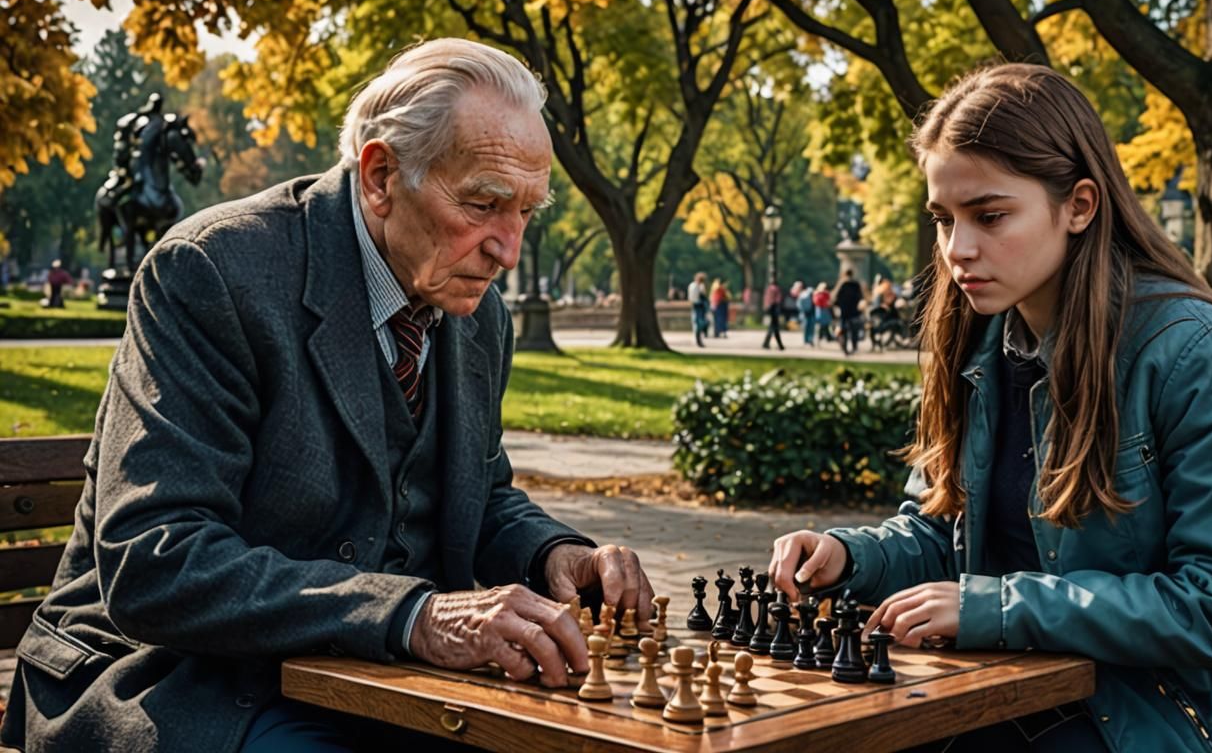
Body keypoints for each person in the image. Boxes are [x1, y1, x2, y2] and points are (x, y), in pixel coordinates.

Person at [2, 39, 657, 753]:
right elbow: (154, 560)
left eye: (527, 211)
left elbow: (478, 492)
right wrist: (415, 616)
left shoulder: (475, 310)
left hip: (367, 679)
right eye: (484, 204)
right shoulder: (213, 271)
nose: (508, 249)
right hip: (173, 679)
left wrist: (552, 555)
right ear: (380, 176)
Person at [766, 63, 1212, 753]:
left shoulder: (1193, 352)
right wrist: (851, 557)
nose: (958, 250)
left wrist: (995, 607)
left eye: (990, 216)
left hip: (1166, 721)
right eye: (943, 219)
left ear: (1079, 206)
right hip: (1018, 700)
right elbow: (948, 535)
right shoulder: (980, 335)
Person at [833, 269, 864, 355]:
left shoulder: (842, 284)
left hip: (844, 311)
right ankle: (854, 347)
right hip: (854, 311)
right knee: (854, 330)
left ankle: (844, 347)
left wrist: (837, 306)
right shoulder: (856, 284)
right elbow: (860, 297)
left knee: (843, 330)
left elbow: (836, 297)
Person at [761, 279, 785, 351]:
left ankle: (769, 343)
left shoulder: (768, 289)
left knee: (773, 327)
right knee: (774, 327)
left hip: (769, 308)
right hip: (774, 308)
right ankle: (778, 345)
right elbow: (778, 300)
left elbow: (766, 299)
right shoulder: (776, 289)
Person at [688, 271, 709, 347]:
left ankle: (699, 338)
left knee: (699, 323)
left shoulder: (695, 285)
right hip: (698, 305)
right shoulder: (696, 286)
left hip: (698, 305)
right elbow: (696, 297)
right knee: (699, 323)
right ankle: (698, 339)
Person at [795, 281, 816, 346]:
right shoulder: (811, 295)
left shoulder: (802, 294)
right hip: (811, 312)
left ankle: (806, 340)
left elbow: (798, 304)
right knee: (811, 328)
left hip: (805, 313)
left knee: (806, 327)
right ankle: (809, 340)